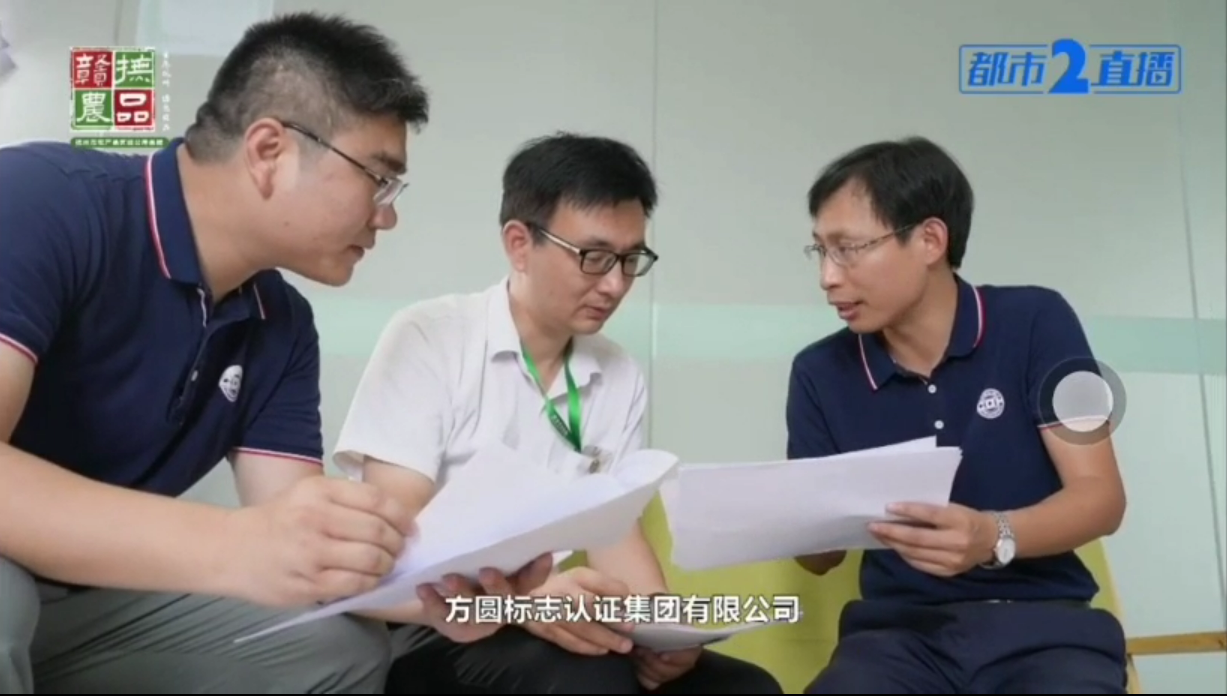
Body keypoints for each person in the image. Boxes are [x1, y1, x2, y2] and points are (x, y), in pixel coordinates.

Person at [0, 12, 544, 694]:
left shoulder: (281, 325)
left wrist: (458, 591)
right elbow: (253, 546)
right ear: (268, 151)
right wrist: (234, 544)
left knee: (333, 647)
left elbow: (306, 550)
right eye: (377, 179)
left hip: (85, 602)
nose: (387, 215)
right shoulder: (40, 202)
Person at [334, 132, 785, 694]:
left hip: (543, 616)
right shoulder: (431, 338)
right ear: (519, 244)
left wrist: (665, 632)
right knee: (590, 679)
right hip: (431, 624)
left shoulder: (618, 373)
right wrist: (521, 603)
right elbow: (398, 552)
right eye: (594, 258)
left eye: (631, 259)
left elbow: (614, 532)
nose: (615, 284)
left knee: (745, 688)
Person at [787, 136, 1129, 694]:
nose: (828, 276)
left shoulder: (1037, 321)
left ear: (929, 239)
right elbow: (819, 558)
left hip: (1047, 632)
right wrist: (787, 523)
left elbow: (1101, 498)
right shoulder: (818, 372)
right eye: (820, 251)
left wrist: (993, 534)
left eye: (848, 249)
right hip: (896, 642)